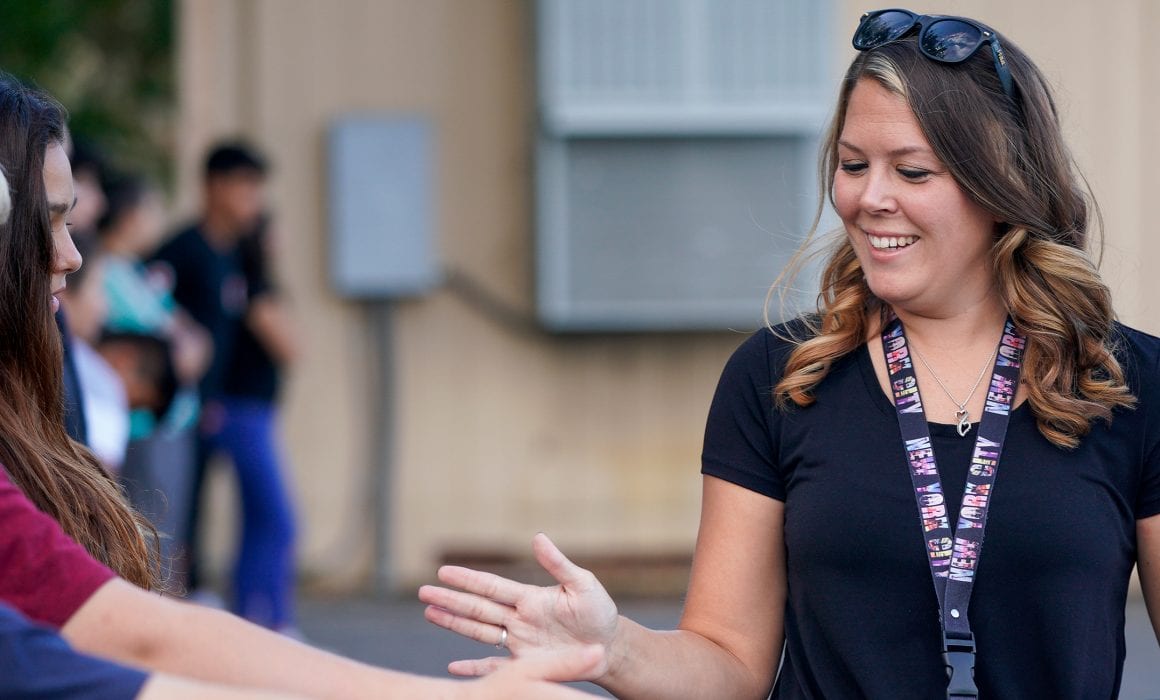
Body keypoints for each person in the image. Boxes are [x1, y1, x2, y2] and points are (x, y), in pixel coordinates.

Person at [418, 9, 1160, 699]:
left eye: (912, 171)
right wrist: (613, 649)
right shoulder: (778, 377)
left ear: (1002, 184)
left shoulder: (1132, 386)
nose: (869, 199)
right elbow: (730, 661)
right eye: (852, 163)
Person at [0, 72, 600, 699]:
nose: (72, 254)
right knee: (266, 522)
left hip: (236, 412)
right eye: (56, 219)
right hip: (220, 412)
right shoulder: (189, 253)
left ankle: (270, 618)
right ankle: (269, 616)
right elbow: (124, 639)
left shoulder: (244, 253)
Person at [149, 142, 281, 601]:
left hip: (213, 408)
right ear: (215, 186)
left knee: (203, 502)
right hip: (171, 410)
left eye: (258, 187)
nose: (254, 198)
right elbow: (143, 313)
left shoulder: (234, 256)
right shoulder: (182, 250)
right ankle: (170, 595)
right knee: (171, 505)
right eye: (245, 186)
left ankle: (201, 590)